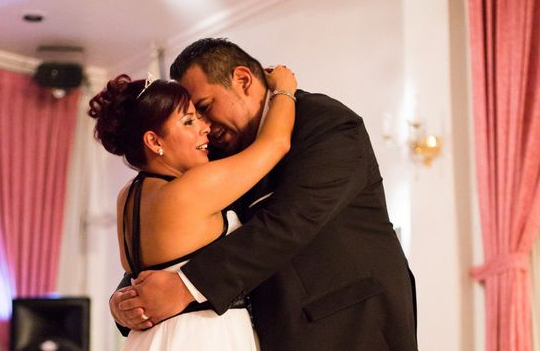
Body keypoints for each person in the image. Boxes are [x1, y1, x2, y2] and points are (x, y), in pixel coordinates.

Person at [112, 38, 418, 351]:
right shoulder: (213, 155)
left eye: (203, 108)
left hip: (348, 327)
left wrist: (186, 287)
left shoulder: (325, 122)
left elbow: (290, 221)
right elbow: (179, 233)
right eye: (192, 117)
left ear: (243, 80)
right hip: (261, 334)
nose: (203, 126)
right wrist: (129, 299)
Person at [88, 65, 297, 349]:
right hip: (203, 337)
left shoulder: (126, 197)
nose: (205, 127)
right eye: (189, 121)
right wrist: (284, 88)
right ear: (153, 141)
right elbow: (275, 143)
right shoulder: (193, 188)